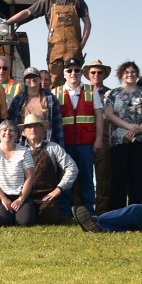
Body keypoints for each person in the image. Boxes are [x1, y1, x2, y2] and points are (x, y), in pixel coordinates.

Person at [4, 0, 91, 79]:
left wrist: (82, 44)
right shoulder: (48, 0)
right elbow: (27, 12)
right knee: (54, 80)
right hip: (55, 48)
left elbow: (87, 23)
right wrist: (7, 22)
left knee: (73, 78)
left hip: (73, 48)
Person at [103, 60, 142, 211]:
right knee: (118, 178)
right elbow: (109, 114)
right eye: (126, 72)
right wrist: (129, 126)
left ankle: (137, 211)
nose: (130, 75)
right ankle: (116, 212)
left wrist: (140, 128)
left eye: (133, 72)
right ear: (121, 75)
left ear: (137, 74)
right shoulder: (112, 93)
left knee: (137, 178)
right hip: (119, 141)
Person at [52, 56, 101, 213]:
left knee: (87, 179)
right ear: (64, 73)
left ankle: (89, 212)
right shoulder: (56, 92)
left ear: (81, 73)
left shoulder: (91, 91)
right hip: (64, 144)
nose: (73, 73)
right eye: (70, 70)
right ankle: (66, 212)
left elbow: (99, 116)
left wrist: (99, 139)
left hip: (86, 143)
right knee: (66, 178)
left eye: (77, 70)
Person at [21, 111, 78, 224]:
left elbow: (72, 168)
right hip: (24, 197)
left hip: (47, 197)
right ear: (24, 132)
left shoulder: (54, 148)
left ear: (43, 130)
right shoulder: (17, 149)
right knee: (24, 220)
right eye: (29, 127)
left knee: (48, 220)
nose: (33, 129)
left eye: (37, 126)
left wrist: (59, 189)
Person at [0, 119, 36, 226]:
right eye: (4, 130)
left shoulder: (24, 151)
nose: (7, 133)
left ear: (16, 134)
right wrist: (3, 198)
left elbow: (30, 177)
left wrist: (21, 199)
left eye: (11, 130)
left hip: (20, 194)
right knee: (2, 221)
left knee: (24, 221)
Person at [84, 58, 115, 210]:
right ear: (89, 74)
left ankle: (103, 209)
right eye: (93, 72)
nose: (96, 75)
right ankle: (83, 208)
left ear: (104, 75)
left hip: (104, 136)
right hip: (85, 135)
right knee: (84, 174)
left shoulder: (111, 94)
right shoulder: (84, 92)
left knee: (103, 174)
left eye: (99, 72)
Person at [5, 67, 64, 145]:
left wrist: (60, 146)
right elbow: (11, 124)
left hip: (46, 144)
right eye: (28, 77)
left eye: (34, 76)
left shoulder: (50, 98)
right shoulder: (18, 100)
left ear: (40, 79)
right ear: (25, 81)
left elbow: (58, 125)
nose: (31, 79)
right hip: (22, 144)